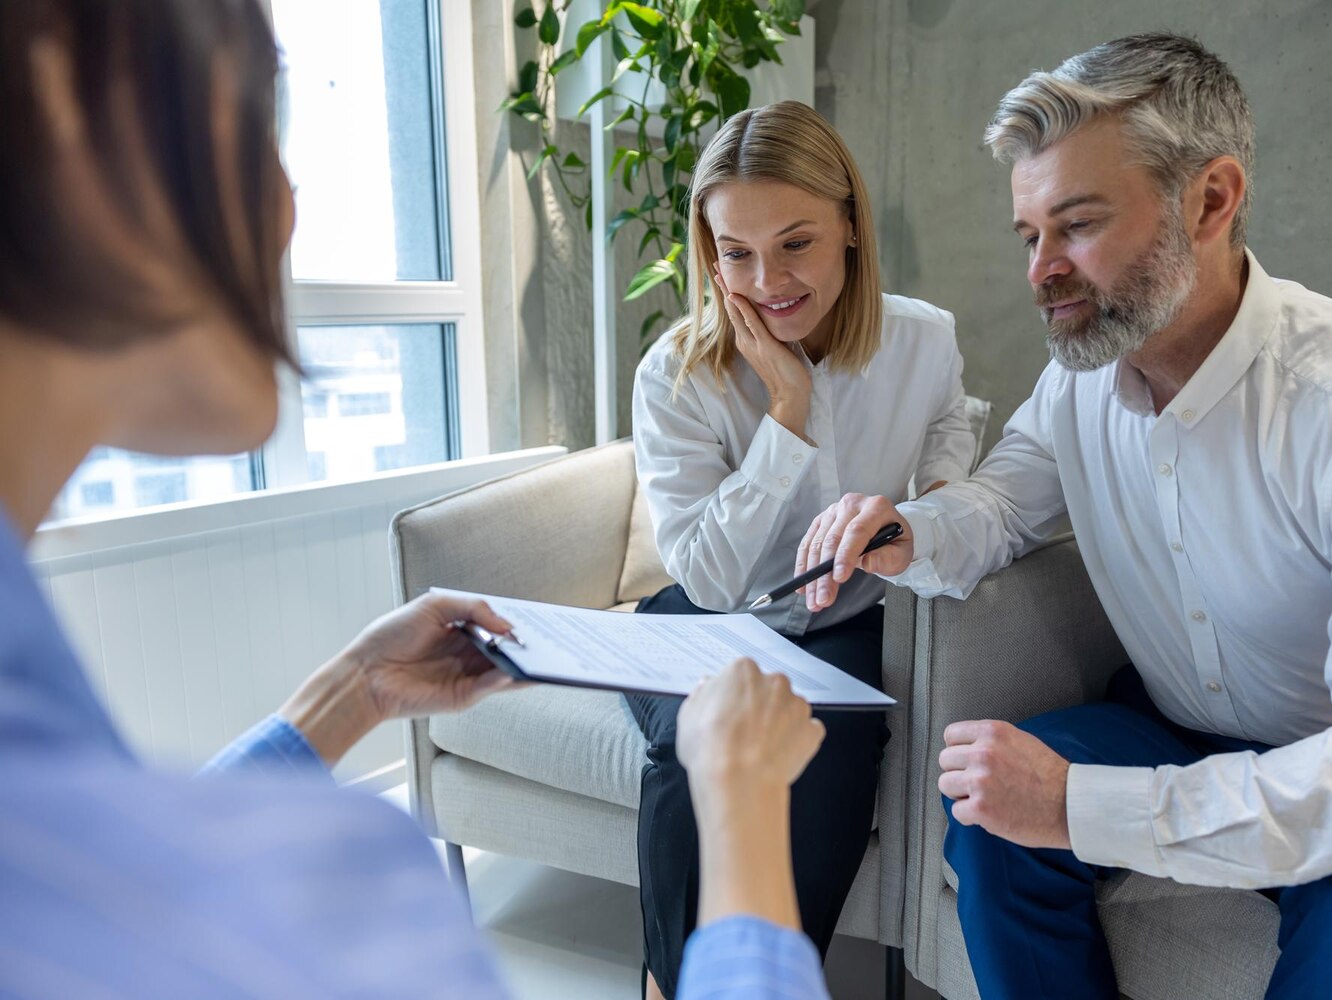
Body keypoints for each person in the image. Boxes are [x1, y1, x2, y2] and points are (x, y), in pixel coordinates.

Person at [0, 2, 834, 998]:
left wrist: (351, 693)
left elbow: (108, 888)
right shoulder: (336, 900)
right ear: (62, 109)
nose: (289, 202)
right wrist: (740, 800)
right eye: (259, 115)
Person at [795, 32, 1332, 1000]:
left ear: (1211, 199)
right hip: (1173, 720)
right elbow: (1003, 500)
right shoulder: (1076, 382)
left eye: (1077, 224)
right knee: (990, 811)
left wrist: (1090, 804)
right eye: (1030, 234)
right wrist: (908, 530)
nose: (1042, 269)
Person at [628, 99, 976, 998]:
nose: (766, 279)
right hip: (712, 618)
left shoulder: (921, 340)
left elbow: (951, 428)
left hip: (846, 620)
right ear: (708, 253)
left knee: (832, 757)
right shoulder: (676, 372)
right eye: (734, 252)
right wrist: (785, 413)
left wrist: (930, 500)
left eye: (795, 243)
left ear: (850, 227)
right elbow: (704, 577)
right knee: (688, 748)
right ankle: (671, 986)